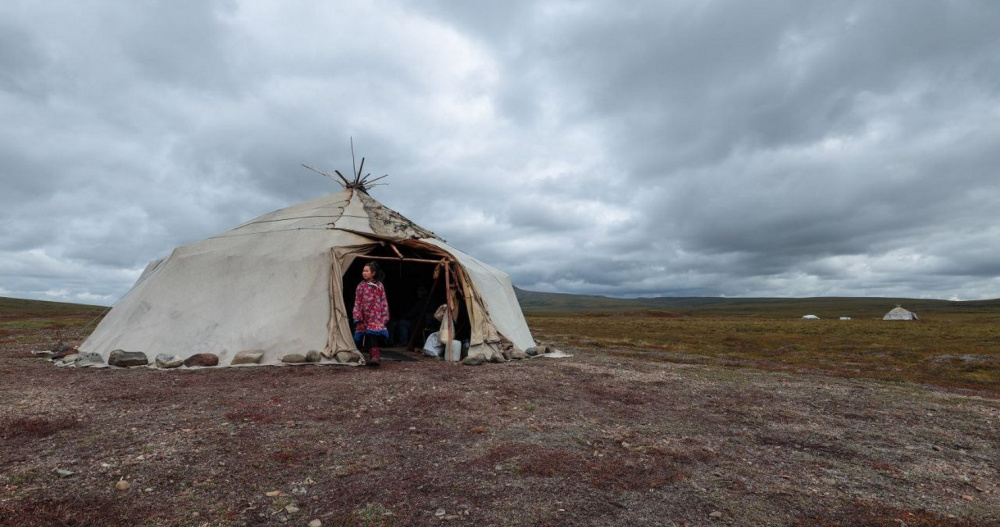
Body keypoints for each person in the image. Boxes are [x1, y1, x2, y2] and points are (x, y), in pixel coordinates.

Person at [353, 261, 390, 367]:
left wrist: (385, 314)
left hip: (375, 315)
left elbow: (383, 300)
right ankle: (359, 355)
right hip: (364, 315)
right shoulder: (361, 286)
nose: (364, 273)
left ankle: (374, 356)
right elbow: (357, 301)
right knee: (365, 334)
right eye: (363, 271)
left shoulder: (379, 285)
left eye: (366, 271)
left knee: (373, 334)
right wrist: (357, 313)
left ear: (373, 273)